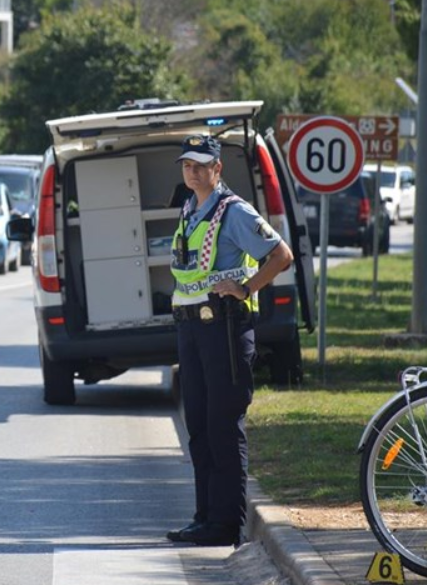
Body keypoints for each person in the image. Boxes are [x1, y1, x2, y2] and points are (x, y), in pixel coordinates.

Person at [166, 135, 293, 547]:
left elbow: (281, 255)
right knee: (199, 428)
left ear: (218, 169)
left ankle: (226, 524)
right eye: (188, 164)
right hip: (192, 328)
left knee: (223, 427)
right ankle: (204, 517)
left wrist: (247, 287)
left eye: (202, 165)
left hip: (223, 329)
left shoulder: (233, 211)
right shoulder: (190, 207)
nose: (194, 172)